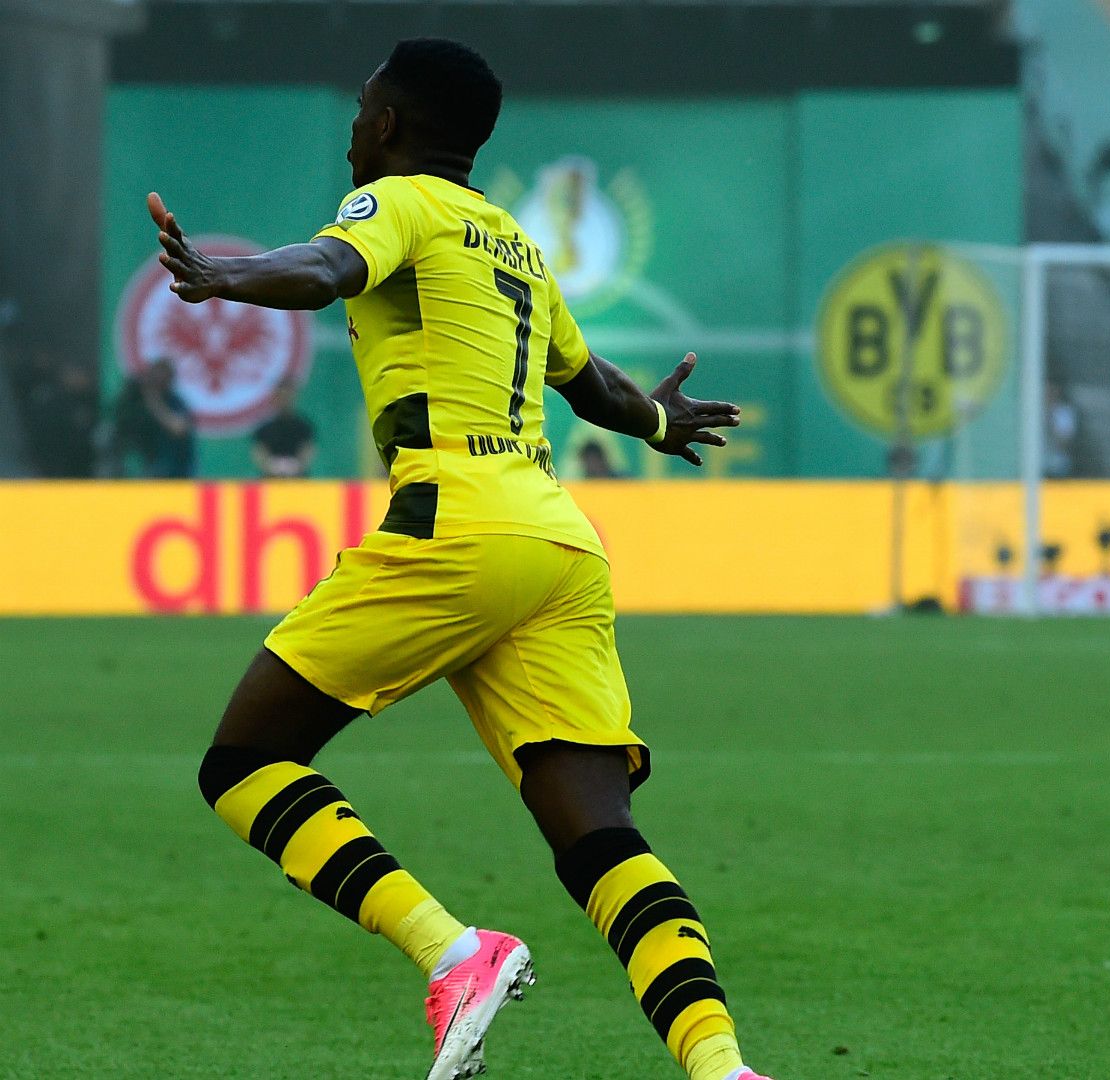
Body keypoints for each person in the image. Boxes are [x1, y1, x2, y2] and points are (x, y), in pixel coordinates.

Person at [147, 38, 771, 1080]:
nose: (355, 124)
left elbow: (326, 268)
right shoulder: (515, 242)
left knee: (244, 764)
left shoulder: (395, 203)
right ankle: (723, 1067)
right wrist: (661, 421)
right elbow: (594, 384)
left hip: (459, 521)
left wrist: (222, 278)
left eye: (363, 106)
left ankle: (454, 950)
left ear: (391, 124)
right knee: (598, 837)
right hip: (558, 541)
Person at [107, 356, 195, 477]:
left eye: (162, 377)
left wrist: (153, 400)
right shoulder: (136, 402)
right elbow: (120, 422)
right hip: (145, 465)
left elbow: (179, 429)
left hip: (174, 470)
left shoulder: (175, 402)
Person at [251, 379, 317, 478]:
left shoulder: (304, 427)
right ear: (275, 398)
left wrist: (294, 467)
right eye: (281, 396)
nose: (284, 400)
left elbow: (308, 453)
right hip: (270, 481)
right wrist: (274, 468)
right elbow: (260, 455)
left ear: (294, 397)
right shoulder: (264, 428)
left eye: (287, 396)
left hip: (298, 482)